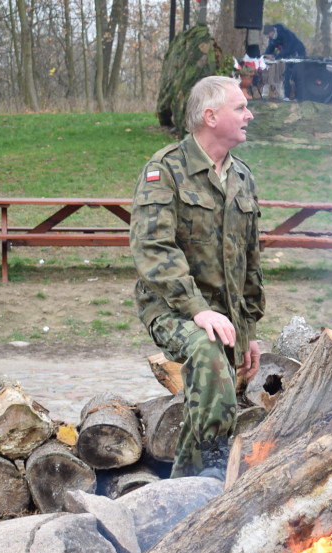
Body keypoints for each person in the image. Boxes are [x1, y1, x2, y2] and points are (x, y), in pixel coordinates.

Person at [129, 75, 264, 478]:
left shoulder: (242, 177)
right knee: (207, 358)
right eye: (240, 108)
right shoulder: (165, 170)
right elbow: (153, 249)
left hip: (225, 316)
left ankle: (184, 487)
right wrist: (197, 310)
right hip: (172, 308)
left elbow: (251, 259)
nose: (249, 115)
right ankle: (201, 480)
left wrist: (249, 330)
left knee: (213, 400)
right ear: (210, 116)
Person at [262, 23, 306, 101]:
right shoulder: (272, 38)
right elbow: (270, 48)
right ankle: (287, 96)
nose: (269, 37)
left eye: (269, 35)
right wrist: (266, 55)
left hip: (298, 52)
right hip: (288, 55)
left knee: (296, 75)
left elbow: (287, 49)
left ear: (272, 32)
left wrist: (276, 57)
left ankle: (298, 97)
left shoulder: (285, 33)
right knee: (287, 75)